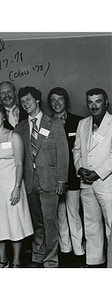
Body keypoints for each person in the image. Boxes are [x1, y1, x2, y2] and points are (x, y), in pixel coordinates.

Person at [14, 86, 69, 268]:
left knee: (50, 221)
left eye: (28, 100)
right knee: (37, 222)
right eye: (22, 102)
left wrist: (62, 180)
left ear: (37, 100)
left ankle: (51, 260)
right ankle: (38, 257)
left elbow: (63, 153)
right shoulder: (20, 127)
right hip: (29, 183)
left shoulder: (53, 123)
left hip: (50, 182)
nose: (25, 104)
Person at [0, 102, 34, 268]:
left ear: (4, 116)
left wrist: (17, 187)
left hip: (12, 186)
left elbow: (19, 164)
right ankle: (3, 260)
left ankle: (16, 260)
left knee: (15, 223)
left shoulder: (14, 136)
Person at [73, 88, 112, 267]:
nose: (94, 106)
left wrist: (97, 173)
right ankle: (95, 263)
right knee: (91, 224)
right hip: (86, 182)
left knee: (110, 225)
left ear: (106, 103)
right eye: (90, 102)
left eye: (98, 101)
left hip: (105, 182)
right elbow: (76, 150)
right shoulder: (83, 123)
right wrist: (80, 169)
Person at [47, 87, 85, 265]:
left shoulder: (79, 122)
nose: (56, 103)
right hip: (55, 179)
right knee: (60, 216)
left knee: (74, 215)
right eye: (53, 99)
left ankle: (79, 253)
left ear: (66, 101)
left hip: (73, 177)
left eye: (60, 99)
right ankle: (65, 252)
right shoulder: (45, 124)